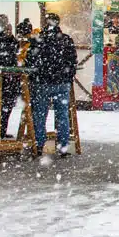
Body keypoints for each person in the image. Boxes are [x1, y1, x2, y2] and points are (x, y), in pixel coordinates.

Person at [31, 12, 79, 159]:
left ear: (46, 23)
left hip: (42, 82)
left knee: (39, 114)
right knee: (62, 115)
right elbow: (72, 61)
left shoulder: (38, 40)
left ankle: (39, 144)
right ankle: (63, 146)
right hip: (62, 83)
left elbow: (31, 61)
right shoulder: (66, 40)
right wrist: (67, 76)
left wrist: (37, 75)